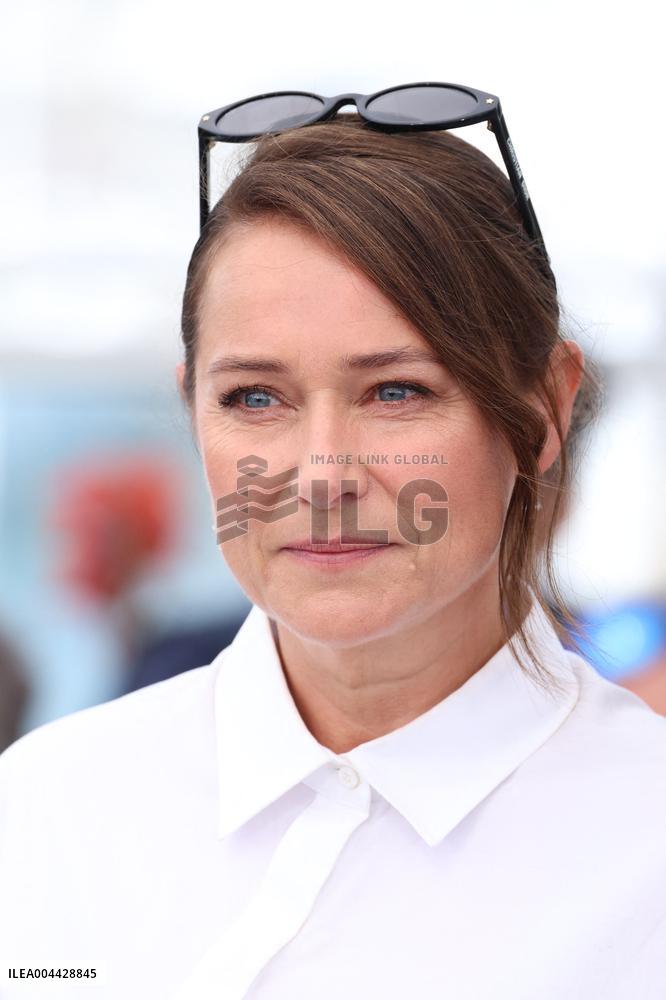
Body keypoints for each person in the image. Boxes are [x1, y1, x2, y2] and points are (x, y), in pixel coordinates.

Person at [1, 84, 665, 1000]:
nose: (320, 476)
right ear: (192, 407)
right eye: (254, 399)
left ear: (546, 405)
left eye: (397, 391)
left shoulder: (644, 849)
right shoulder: (47, 807)